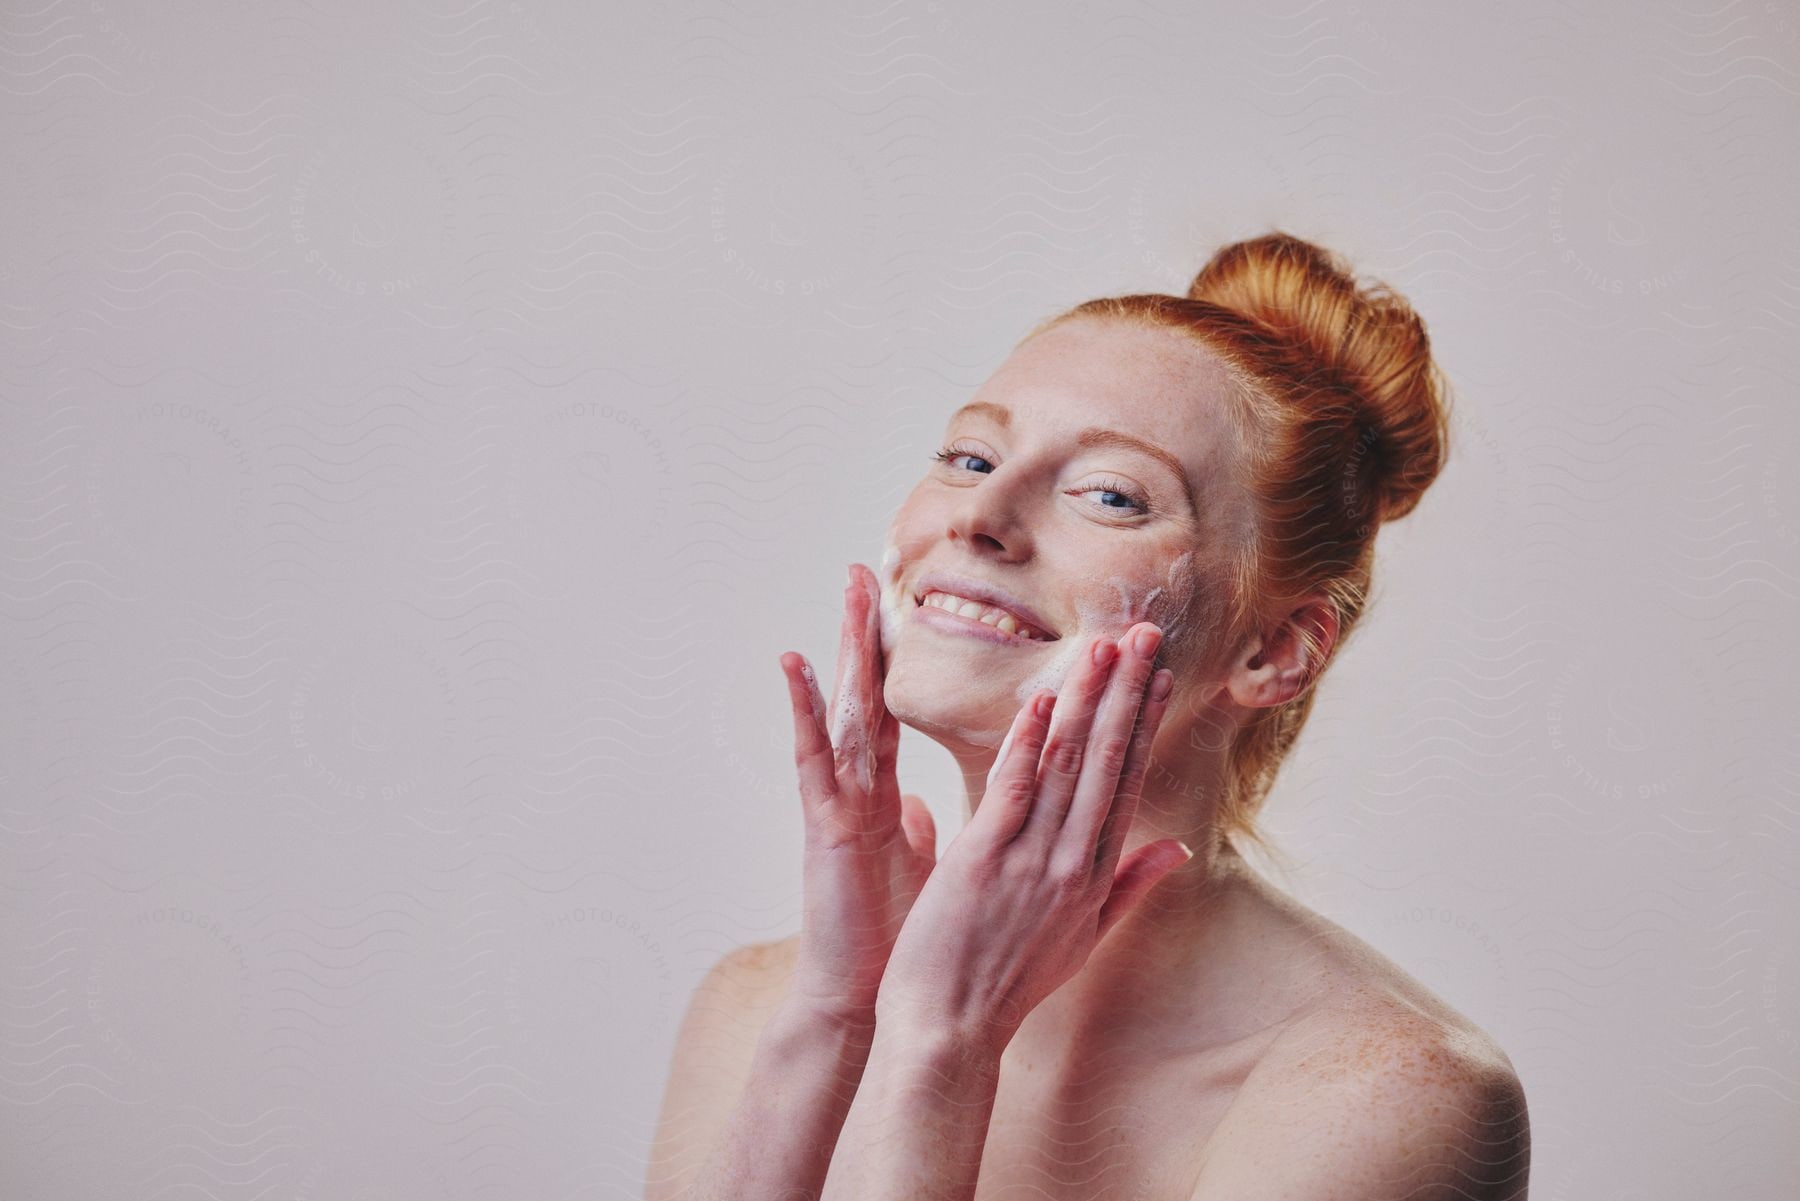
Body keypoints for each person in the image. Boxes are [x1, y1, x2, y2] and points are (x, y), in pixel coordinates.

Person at [646, 232, 1530, 1201]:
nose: (979, 513)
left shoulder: (1381, 1099)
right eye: (969, 454)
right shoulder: (760, 1008)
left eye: (1110, 494)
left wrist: (940, 1040)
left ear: (1272, 650)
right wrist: (837, 1017)